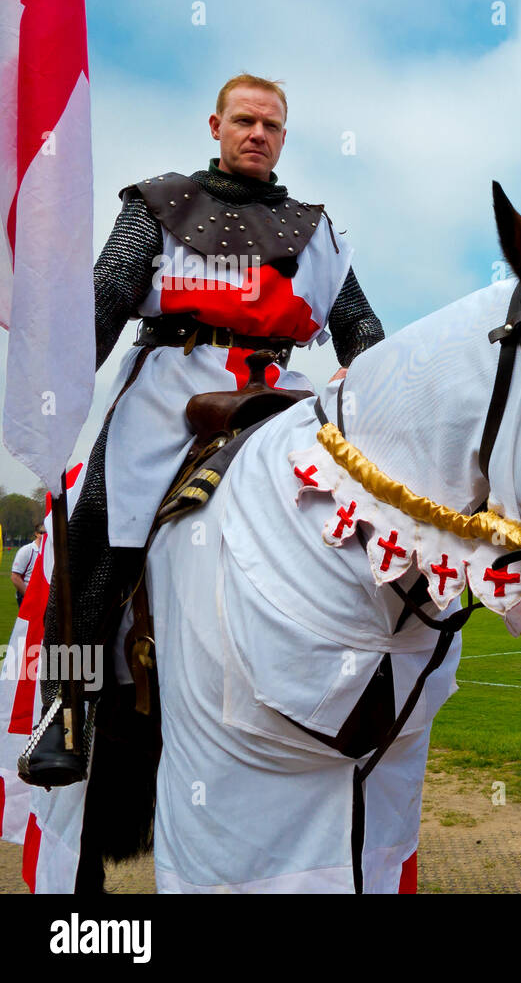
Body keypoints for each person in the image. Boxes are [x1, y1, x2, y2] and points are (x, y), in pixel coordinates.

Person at [24, 74, 385, 783]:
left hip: (283, 390)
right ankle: (64, 707)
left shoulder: (315, 228)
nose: (258, 134)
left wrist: (374, 379)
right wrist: (56, 396)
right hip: (173, 381)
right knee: (100, 522)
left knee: (372, 513)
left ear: (284, 138)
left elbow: (360, 327)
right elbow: (106, 298)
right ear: (214, 126)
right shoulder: (159, 203)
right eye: (245, 121)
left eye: (272, 126)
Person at [10, 524, 45, 604]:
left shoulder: (51, 551)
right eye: (42, 533)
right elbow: (15, 577)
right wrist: (29, 596)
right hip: (28, 597)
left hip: (46, 598)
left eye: (47, 533)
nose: (44, 535)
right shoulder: (26, 550)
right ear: (36, 533)